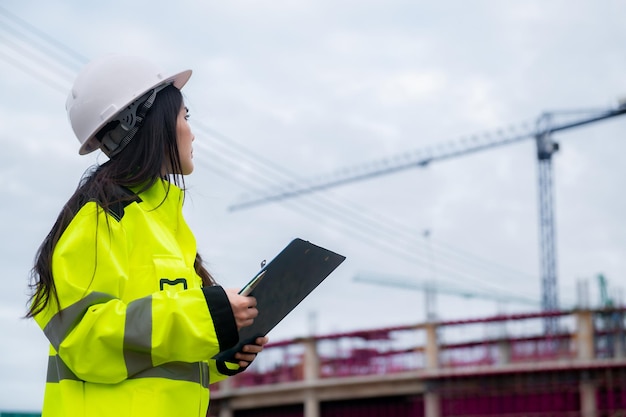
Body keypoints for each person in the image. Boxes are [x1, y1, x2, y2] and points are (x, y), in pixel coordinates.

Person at [26, 54, 268, 417]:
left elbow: (154, 353)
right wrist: (207, 315)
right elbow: (85, 340)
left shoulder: (166, 227)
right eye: (185, 117)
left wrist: (221, 350)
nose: (192, 130)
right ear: (152, 124)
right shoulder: (102, 217)